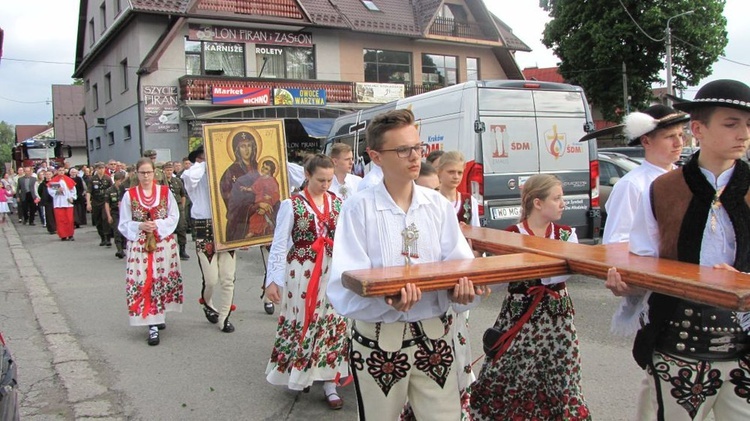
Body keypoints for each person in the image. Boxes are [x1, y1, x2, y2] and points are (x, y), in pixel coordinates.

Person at [606, 79, 750, 419]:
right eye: (731, 124)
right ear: (698, 128)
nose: (743, 134)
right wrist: (629, 283)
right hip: (679, 340)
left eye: (747, 125)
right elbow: (644, 260)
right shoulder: (663, 190)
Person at [327, 109, 482, 420]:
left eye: (418, 147)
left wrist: (462, 292)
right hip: (379, 340)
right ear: (376, 156)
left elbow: (459, 265)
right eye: (403, 149)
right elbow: (345, 286)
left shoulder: (437, 205)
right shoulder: (359, 208)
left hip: (435, 337)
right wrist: (389, 301)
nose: (415, 156)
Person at [469, 174, 591, 420]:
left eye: (562, 198)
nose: (562, 203)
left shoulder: (567, 235)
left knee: (561, 374)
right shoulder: (512, 235)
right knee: (508, 373)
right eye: (556, 198)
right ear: (537, 203)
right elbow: (499, 276)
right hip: (520, 316)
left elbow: (569, 270)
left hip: (558, 320)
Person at [264, 154, 349, 409]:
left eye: (329, 180)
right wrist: (273, 281)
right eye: (320, 180)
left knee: (332, 323)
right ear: (307, 175)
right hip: (301, 271)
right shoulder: (292, 205)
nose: (325, 185)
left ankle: (330, 383)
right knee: (303, 320)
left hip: (331, 270)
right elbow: (279, 245)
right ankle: (300, 373)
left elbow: (346, 240)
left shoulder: (339, 203)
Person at [602, 105, 689, 244]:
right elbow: (616, 242)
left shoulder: (687, 179)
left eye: (680, 135)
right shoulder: (631, 185)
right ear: (646, 141)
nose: (678, 143)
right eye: (670, 136)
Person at [119, 157, 183, 346]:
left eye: (149, 172)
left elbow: (174, 215)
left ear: (154, 172)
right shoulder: (129, 195)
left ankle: (158, 315)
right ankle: (151, 324)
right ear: (136, 174)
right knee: (145, 279)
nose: (146, 176)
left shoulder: (164, 192)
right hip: (140, 246)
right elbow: (123, 223)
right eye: (142, 172)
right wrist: (140, 226)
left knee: (160, 279)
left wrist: (158, 225)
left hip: (163, 244)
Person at [181, 145, 237, 333]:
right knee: (211, 278)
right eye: (204, 157)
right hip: (204, 227)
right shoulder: (194, 175)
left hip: (225, 226)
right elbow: (190, 176)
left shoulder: (226, 175)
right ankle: (207, 302)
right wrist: (208, 163)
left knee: (228, 277)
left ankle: (224, 317)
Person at [437, 151, 479, 227]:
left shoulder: (470, 201)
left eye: (459, 173)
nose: (456, 177)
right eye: (451, 172)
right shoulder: (432, 200)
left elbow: (476, 232)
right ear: (439, 172)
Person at [242, 159, 281, 238]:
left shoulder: (272, 180)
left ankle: (253, 232)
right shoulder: (260, 179)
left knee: (260, 217)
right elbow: (254, 188)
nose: (263, 169)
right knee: (254, 217)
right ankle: (253, 231)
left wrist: (270, 197)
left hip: (268, 202)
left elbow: (276, 194)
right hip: (259, 202)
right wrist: (246, 189)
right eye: (263, 167)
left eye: (266, 168)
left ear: (270, 171)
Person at [220, 130, 259, 209]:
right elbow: (228, 196)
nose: (246, 150)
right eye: (243, 146)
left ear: (253, 148)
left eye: (249, 145)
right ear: (237, 150)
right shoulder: (230, 172)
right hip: (241, 214)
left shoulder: (260, 168)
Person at [163, 161, 190, 260]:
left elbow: (183, 195)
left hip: (178, 206)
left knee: (181, 227)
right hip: (166, 207)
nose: (169, 172)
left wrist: (182, 207)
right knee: (166, 229)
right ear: (164, 171)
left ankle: (182, 250)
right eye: (167, 170)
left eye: (170, 170)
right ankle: (167, 250)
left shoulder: (177, 181)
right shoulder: (161, 182)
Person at [87, 162, 113, 246]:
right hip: (95, 202)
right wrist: (88, 203)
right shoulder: (92, 179)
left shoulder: (108, 178)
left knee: (105, 219)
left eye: (102, 168)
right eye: (99, 168)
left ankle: (107, 238)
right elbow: (89, 192)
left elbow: (111, 190)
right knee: (98, 221)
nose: (101, 170)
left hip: (105, 202)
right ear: (96, 169)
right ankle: (102, 238)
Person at [48, 167, 76, 241]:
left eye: (62, 170)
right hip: (59, 203)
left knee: (69, 220)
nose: (61, 172)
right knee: (60, 220)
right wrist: (58, 190)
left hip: (68, 203)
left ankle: (70, 235)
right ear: (57, 171)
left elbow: (73, 190)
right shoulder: (54, 181)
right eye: (60, 170)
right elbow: (51, 192)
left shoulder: (68, 179)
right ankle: (63, 235)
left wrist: (72, 197)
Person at [105, 172, 127, 258]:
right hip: (115, 212)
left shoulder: (125, 190)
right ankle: (119, 250)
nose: (121, 183)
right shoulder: (110, 190)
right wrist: (109, 215)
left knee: (124, 231)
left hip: (124, 212)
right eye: (120, 181)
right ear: (116, 181)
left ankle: (124, 246)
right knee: (117, 231)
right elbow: (107, 203)